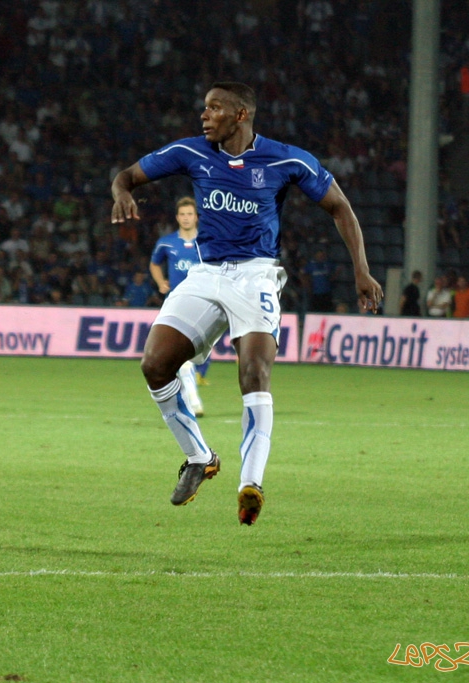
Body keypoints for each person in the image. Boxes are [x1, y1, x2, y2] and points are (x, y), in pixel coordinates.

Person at [111, 82, 382, 525]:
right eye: (204, 108)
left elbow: (340, 207)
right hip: (206, 274)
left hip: (256, 275)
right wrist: (122, 192)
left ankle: (250, 484)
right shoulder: (191, 151)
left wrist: (361, 269)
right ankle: (199, 457)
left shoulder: (286, 159)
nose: (204, 115)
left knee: (254, 373)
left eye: (214, 108)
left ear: (240, 115)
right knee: (155, 364)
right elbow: (126, 175)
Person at [149, 196, 206, 416]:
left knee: (194, 354)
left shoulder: (207, 241)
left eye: (189, 214)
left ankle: (191, 392)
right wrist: (160, 282)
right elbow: (155, 263)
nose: (186, 218)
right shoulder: (167, 242)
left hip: (203, 301)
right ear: (177, 217)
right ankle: (193, 399)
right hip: (176, 303)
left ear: (196, 217)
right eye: (182, 214)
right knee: (181, 354)